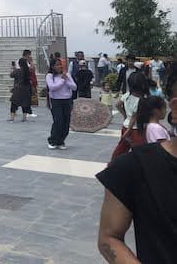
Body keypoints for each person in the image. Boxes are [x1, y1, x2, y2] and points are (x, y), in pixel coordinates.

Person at [95, 70, 177, 263]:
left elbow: (122, 107)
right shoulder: (134, 169)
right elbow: (109, 237)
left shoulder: (130, 98)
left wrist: (127, 121)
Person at [111, 70, 149, 161]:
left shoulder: (127, 95)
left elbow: (118, 105)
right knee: (139, 150)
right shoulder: (141, 100)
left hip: (125, 125)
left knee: (122, 148)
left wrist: (124, 115)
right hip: (135, 128)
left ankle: (114, 163)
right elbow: (134, 116)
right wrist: (129, 130)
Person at [46, 57, 77, 149]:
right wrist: (63, 80)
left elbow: (74, 87)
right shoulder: (50, 76)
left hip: (67, 100)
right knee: (58, 121)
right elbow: (52, 87)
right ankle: (52, 140)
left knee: (66, 122)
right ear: (52, 66)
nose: (59, 66)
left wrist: (66, 79)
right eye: (57, 65)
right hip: (56, 101)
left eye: (60, 64)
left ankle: (61, 141)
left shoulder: (66, 74)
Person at [8, 51, 34, 122]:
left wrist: (12, 68)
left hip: (18, 89)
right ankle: (24, 118)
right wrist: (31, 61)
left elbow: (11, 75)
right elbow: (32, 69)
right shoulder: (28, 70)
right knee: (25, 103)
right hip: (26, 89)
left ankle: (12, 118)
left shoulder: (18, 70)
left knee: (14, 103)